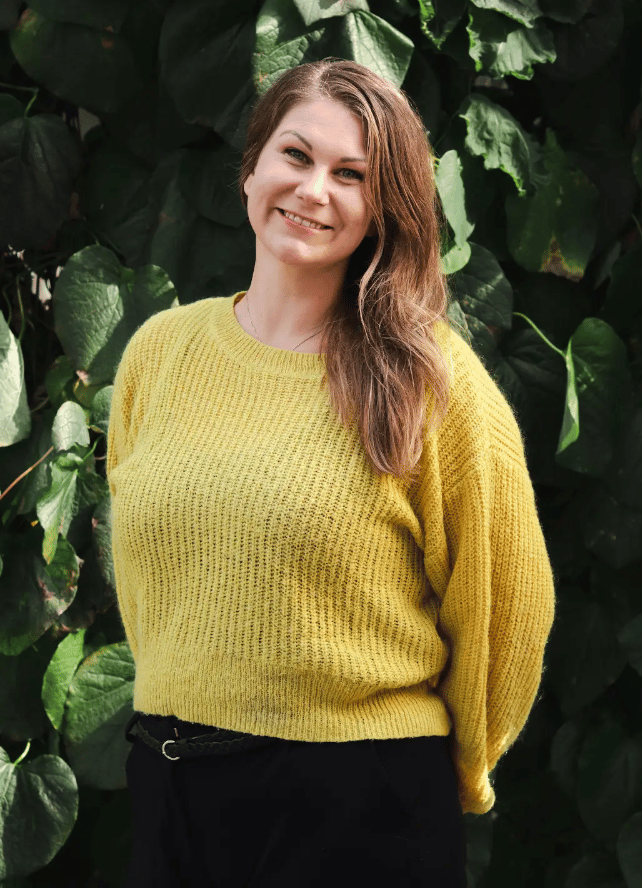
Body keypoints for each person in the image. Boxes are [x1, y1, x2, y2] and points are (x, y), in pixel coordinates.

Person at [106, 59, 555, 888]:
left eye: (352, 174)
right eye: (296, 155)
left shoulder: (428, 381)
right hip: (169, 786)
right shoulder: (160, 354)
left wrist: (442, 772)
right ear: (250, 171)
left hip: (356, 807)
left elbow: (508, 604)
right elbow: (153, 587)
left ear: (383, 209)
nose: (315, 190)